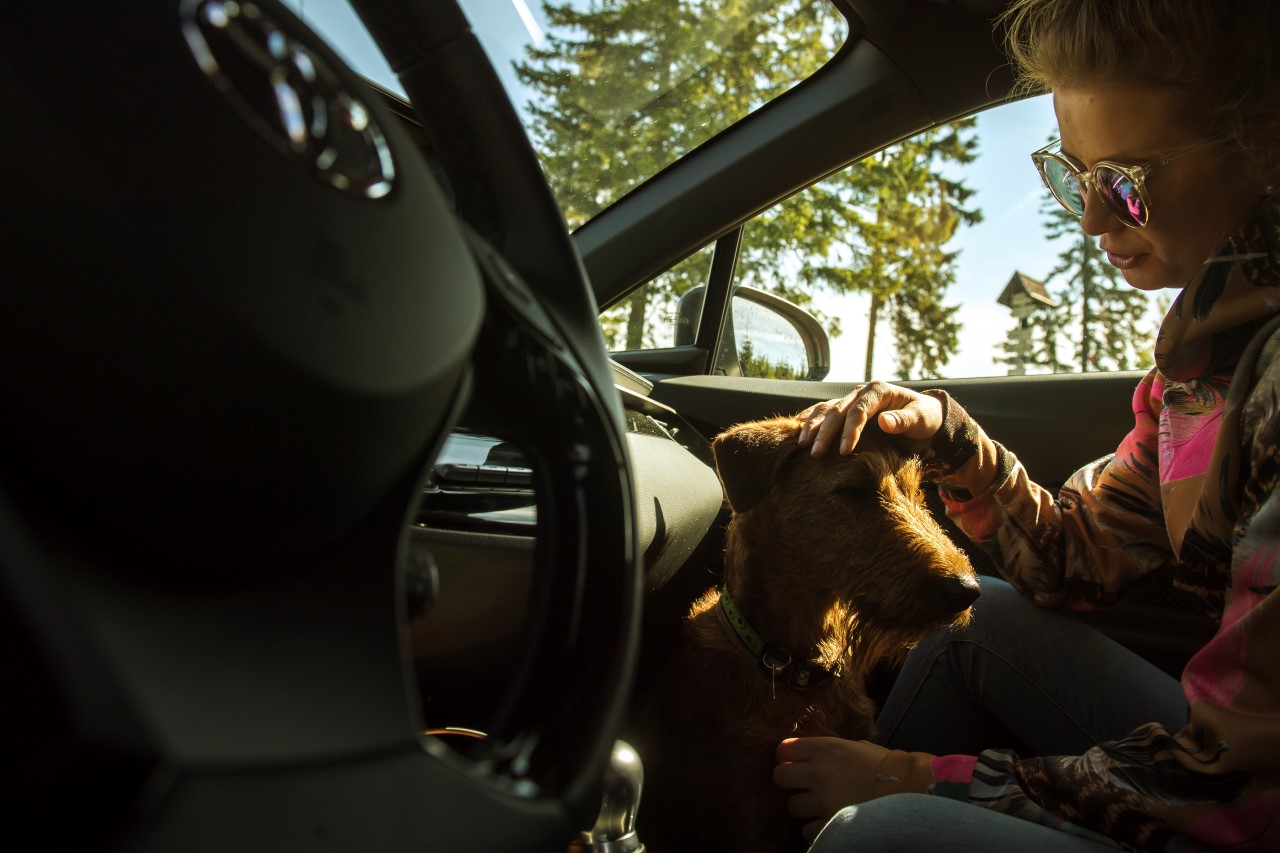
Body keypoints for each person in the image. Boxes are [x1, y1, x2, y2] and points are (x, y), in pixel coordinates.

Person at [771, 1, 1280, 850]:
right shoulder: (1200, 373)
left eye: (1127, 184)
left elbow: (1241, 787)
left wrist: (913, 778)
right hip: (1228, 755)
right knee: (984, 624)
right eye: (1072, 177)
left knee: (876, 834)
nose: (1091, 221)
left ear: (1264, 148)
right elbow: (1078, 557)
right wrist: (945, 436)